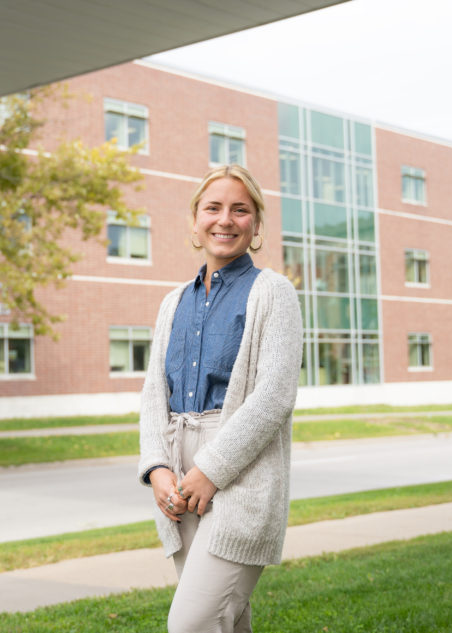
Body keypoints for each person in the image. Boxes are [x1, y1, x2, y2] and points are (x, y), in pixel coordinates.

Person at [138, 164, 303, 633]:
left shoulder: (274, 293)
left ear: (256, 224)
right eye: (213, 208)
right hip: (177, 475)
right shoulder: (172, 302)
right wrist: (157, 470)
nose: (225, 220)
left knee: (191, 623)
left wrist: (209, 470)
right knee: (225, 622)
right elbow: (153, 394)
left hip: (239, 471)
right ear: (195, 220)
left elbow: (275, 396)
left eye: (240, 209)